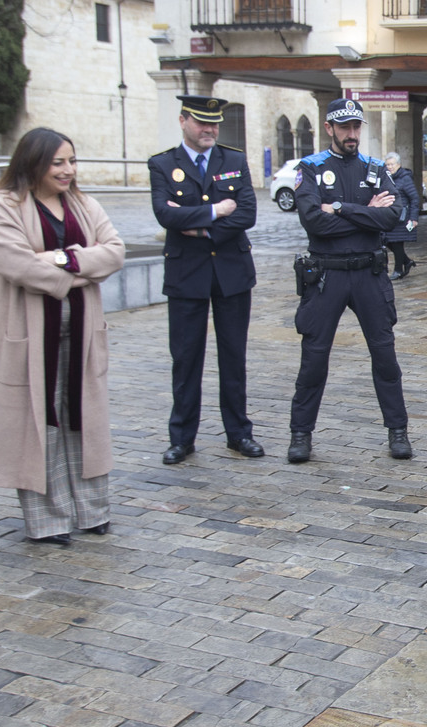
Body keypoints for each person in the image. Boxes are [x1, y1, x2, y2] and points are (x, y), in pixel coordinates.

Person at [0, 127, 125, 544]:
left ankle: (91, 510)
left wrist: (63, 259)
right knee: (40, 420)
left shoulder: (83, 203)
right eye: (58, 162)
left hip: (81, 332)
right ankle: (48, 520)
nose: (67, 170)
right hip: (29, 336)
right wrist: (79, 271)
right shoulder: (3, 205)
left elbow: (114, 251)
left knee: (83, 416)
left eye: (72, 161)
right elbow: (17, 265)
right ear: (33, 162)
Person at [286, 98, 412, 464]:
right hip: (326, 275)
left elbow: (391, 217)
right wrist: (366, 213)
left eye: (356, 126)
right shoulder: (310, 168)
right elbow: (313, 221)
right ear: (329, 128)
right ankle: (301, 433)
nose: (352, 133)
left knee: (385, 356)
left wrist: (341, 208)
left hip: (369, 274)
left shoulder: (374, 167)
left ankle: (398, 430)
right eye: (344, 127)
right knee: (313, 358)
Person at [149, 95, 265, 465]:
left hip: (231, 273)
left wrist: (199, 229)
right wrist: (215, 210)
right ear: (183, 121)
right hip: (187, 275)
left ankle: (239, 433)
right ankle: (182, 438)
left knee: (233, 357)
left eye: (214, 123)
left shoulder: (233, 159)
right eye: (202, 123)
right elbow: (165, 215)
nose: (210, 130)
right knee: (186, 359)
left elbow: (246, 213)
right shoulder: (164, 164)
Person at [384, 151, 420, 280]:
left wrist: (413, 218)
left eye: (392, 164)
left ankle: (398, 270)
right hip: (390, 216)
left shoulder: (405, 178)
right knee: (388, 241)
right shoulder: (387, 178)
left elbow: (415, 198)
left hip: (402, 218)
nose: (390, 167)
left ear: (398, 164)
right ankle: (407, 261)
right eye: (387, 164)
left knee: (397, 243)